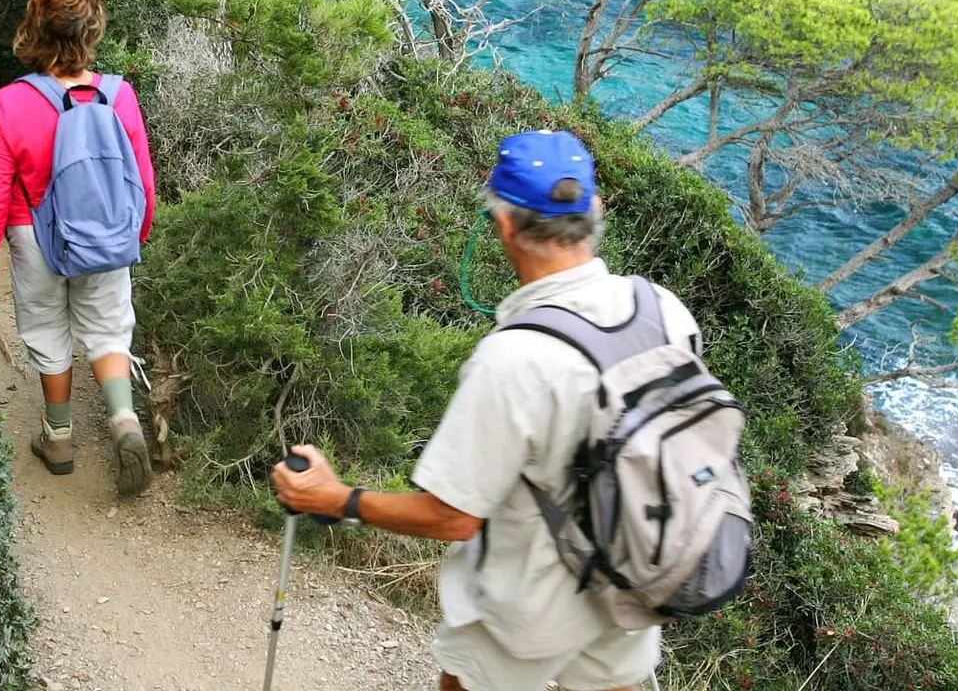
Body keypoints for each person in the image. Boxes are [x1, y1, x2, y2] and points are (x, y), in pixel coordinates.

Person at [273, 129, 703, 691]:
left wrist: (336, 499)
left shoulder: (515, 356)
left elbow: (454, 516)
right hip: (634, 579)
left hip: (525, 607)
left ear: (503, 225)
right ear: (595, 210)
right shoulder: (663, 310)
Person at [0, 0, 157, 496]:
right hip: (106, 236)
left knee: (49, 334)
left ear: (37, 28)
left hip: (35, 237)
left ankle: (58, 439)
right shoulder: (120, 96)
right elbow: (142, 183)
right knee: (107, 329)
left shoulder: (11, 101)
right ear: (92, 29)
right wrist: (132, 238)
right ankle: (124, 422)